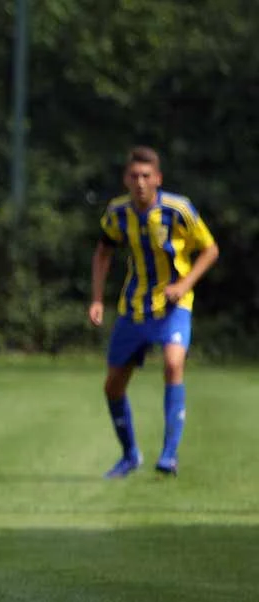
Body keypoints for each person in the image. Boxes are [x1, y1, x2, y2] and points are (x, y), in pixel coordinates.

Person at [90, 146, 218, 478]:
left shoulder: (178, 209)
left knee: (173, 364)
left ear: (158, 178)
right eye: (134, 176)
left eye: (146, 176)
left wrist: (184, 284)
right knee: (113, 387)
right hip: (134, 308)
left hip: (174, 306)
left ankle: (169, 456)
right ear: (126, 179)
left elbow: (210, 249)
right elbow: (103, 253)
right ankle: (130, 455)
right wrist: (97, 299)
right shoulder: (118, 212)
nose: (140, 182)